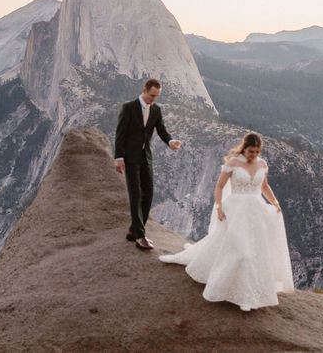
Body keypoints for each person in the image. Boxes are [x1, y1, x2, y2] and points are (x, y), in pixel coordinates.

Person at [159, 132, 294, 311]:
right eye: (251, 151)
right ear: (244, 148)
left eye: (256, 152)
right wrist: (219, 207)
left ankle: (247, 297)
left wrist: (274, 201)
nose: (253, 155)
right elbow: (220, 186)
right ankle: (234, 292)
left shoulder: (262, 164)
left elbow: (264, 186)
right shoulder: (233, 163)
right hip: (236, 210)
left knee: (255, 251)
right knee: (242, 252)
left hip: (256, 212)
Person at [114, 78, 182, 250]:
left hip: (146, 157)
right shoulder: (129, 108)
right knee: (135, 193)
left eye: (157, 96)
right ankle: (140, 235)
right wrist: (119, 157)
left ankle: (133, 230)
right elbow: (120, 134)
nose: (153, 99)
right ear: (144, 90)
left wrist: (171, 141)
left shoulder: (156, 110)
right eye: (152, 95)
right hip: (130, 158)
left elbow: (161, 130)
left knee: (149, 192)